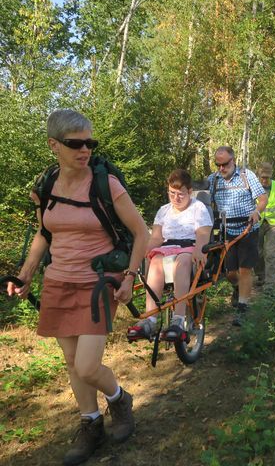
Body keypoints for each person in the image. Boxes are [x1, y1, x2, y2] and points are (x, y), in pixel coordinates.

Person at [6, 109, 149, 466]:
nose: (85, 150)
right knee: (71, 362)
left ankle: (119, 399)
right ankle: (91, 423)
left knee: (87, 366)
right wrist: (24, 275)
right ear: (54, 145)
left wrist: (130, 277)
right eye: (75, 144)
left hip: (98, 282)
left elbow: (141, 232)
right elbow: (44, 234)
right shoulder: (46, 186)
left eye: (90, 142)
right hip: (58, 280)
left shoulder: (106, 184)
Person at [127, 169, 213, 341]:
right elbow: (157, 238)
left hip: (189, 247)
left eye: (180, 194)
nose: (176, 198)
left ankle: (178, 319)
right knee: (155, 261)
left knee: (182, 261)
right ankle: (150, 319)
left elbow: (203, 233)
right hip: (166, 248)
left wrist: (199, 249)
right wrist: (143, 251)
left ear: (189, 191)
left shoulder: (198, 207)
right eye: (172, 193)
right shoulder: (164, 210)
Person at [207, 146, 266, 326]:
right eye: (218, 165)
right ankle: (237, 288)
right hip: (226, 232)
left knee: (245, 270)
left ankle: (242, 308)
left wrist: (256, 211)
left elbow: (262, 198)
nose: (221, 169)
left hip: (247, 229)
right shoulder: (213, 180)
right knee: (231, 273)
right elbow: (201, 202)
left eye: (224, 164)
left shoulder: (247, 176)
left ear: (233, 160)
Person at [254, 162, 275, 288]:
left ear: (271, 175)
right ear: (258, 175)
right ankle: (261, 275)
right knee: (257, 252)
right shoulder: (253, 186)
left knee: (271, 253)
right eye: (262, 176)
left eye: (267, 177)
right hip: (257, 224)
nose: (265, 180)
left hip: (273, 224)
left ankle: (270, 285)